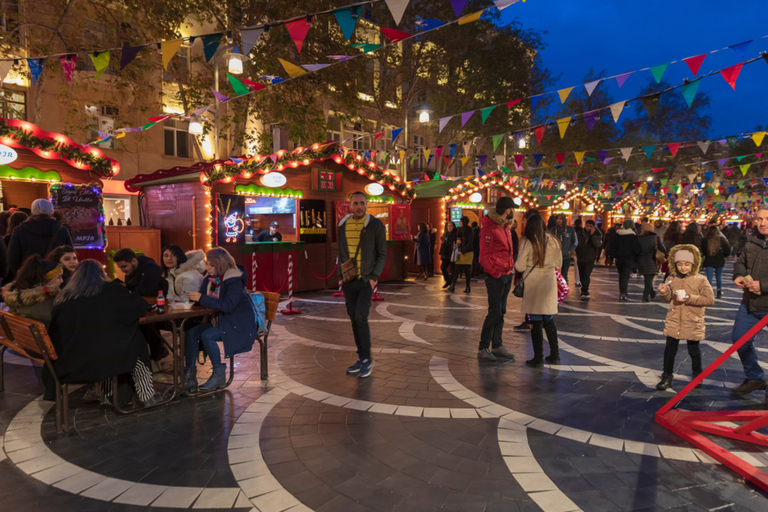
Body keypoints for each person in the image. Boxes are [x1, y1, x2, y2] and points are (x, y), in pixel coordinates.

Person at [50, 260, 156, 407]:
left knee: (101, 344)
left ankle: (105, 395)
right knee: (136, 346)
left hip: (73, 357)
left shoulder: (64, 297)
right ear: (101, 273)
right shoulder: (110, 289)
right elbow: (139, 306)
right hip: (107, 355)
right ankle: (147, 396)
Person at [184, 247, 257, 392]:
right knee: (191, 333)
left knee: (207, 335)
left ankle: (218, 374)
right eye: (208, 264)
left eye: (212, 265)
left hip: (237, 323)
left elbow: (228, 305)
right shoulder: (209, 279)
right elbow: (203, 297)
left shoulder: (234, 279)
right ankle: (190, 376)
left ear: (221, 265)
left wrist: (202, 298)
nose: (208, 268)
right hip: (220, 320)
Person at [338, 191, 387, 379]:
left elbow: (382, 253)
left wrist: (374, 277)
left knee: (360, 317)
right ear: (350, 205)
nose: (360, 207)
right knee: (353, 318)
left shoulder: (375, 225)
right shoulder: (343, 224)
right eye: (356, 203)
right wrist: (340, 276)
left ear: (367, 205)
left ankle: (367, 359)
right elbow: (341, 253)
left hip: (366, 280)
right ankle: (361, 358)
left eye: (363, 203)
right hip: (349, 280)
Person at [655, 245, 715, 390]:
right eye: (679, 264)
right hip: (674, 319)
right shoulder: (671, 278)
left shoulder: (700, 279)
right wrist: (663, 292)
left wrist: (690, 298)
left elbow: (709, 299)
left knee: (694, 350)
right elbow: (668, 297)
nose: (683, 267)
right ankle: (667, 376)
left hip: (692, 320)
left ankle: (697, 376)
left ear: (693, 264)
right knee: (670, 350)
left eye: (687, 264)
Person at [730, 208, 768, 397]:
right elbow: (741, 262)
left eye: (767, 219)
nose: (763, 223)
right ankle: (755, 378)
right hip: (750, 305)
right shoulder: (751, 242)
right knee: (740, 340)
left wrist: (763, 285)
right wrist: (738, 275)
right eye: (760, 219)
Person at [515, 214, 562, 368]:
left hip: (533, 284)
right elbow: (558, 263)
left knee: (535, 320)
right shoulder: (554, 240)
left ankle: (538, 357)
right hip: (548, 283)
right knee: (549, 319)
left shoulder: (527, 241)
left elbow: (520, 267)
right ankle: (555, 355)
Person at [477, 197, 517, 362]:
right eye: (512, 209)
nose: (513, 212)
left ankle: (497, 345)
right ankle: (483, 347)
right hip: (497, 277)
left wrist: (510, 269)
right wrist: (496, 274)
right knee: (494, 313)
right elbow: (483, 257)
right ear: (507, 210)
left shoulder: (505, 227)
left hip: (506, 274)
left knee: (501, 312)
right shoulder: (490, 228)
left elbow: (508, 252)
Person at [113, 248, 169, 363]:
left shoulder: (150, 267)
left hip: (158, 306)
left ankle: (152, 356)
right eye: (120, 267)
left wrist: (129, 291)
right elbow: (133, 288)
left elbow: (145, 289)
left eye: (124, 266)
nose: (122, 270)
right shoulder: (131, 271)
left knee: (146, 325)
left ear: (134, 261)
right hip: (140, 305)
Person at [8, 199, 73, 274]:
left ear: (33, 211)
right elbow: (70, 252)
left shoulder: (20, 230)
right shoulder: (62, 230)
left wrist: (21, 273)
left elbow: (12, 258)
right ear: (51, 211)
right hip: (56, 274)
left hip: (29, 274)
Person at [2, 255, 63, 330]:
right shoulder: (49, 302)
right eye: (59, 277)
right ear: (46, 279)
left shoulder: (15, 299)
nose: (62, 281)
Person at [610, 219, 640, 302]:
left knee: (621, 275)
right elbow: (636, 249)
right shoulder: (633, 236)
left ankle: (622, 291)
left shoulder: (618, 235)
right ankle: (623, 293)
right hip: (629, 259)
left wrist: (612, 257)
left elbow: (613, 247)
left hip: (619, 259)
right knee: (625, 276)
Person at [637, 223, 666, 302]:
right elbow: (663, 249)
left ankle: (652, 292)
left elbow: (636, 250)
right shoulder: (656, 238)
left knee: (647, 279)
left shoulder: (638, 238)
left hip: (641, 261)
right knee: (649, 279)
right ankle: (645, 297)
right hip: (652, 260)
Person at [575, 219, 602, 300]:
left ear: (593, 227)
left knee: (587, 274)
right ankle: (584, 289)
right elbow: (576, 243)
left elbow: (598, 245)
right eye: (587, 226)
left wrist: (593, 235)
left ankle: (584, 291)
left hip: (590, 257)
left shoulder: (597, 234)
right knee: (582, 275)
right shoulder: (580, 233)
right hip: (580, 256)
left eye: (590, 226)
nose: (588, 228)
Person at [701, 225, 731, 299]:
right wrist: (723, 255)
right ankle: (719, 291)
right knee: (719, 277)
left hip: (709, 260)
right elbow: (728, 251)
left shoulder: (705, 240)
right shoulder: (722, 240)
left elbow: (703, 250)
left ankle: (709, 292)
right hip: (719, 260)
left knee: (709, 278)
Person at [448, 216, 474, 293]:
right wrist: (458, 241)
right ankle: (453, 285)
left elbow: (470, 242)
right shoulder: (460, 229)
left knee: (467, 271)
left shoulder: (469, 230)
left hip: (467, 252)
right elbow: (457, 238)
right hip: (460, 252)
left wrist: (463, 250)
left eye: (461, 222)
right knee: (456, 269)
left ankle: (468, 287)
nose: (460, 223)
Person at [550, 214, 577, 284]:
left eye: (560, 219)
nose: (558, 220)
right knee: (555, 273)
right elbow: (549, 241)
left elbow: (575, 242)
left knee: (564, 273)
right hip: (555, 256)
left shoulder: (570, 229)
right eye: (557, 219)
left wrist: (570, 250)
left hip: (566, 255)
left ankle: (564, 287)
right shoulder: (553, 230)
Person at [439, 221, 457, 289]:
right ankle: (448, 280)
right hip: (446, 254)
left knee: (453, 269)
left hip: (452, 254)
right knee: (443, 267)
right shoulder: (445, 234)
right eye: (448, 226)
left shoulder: (455, 234)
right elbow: (443, 244)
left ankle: (452, 283)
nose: (449, 227)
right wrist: (441, 253)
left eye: (451, 226)